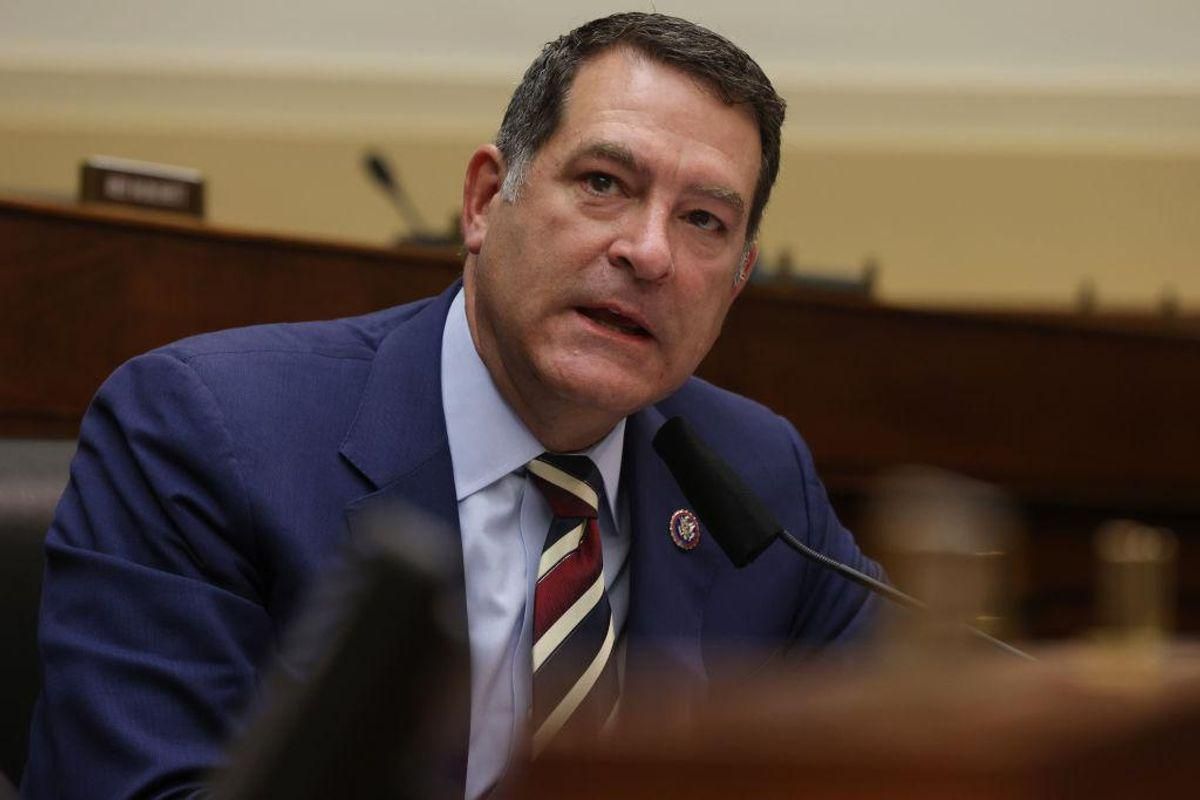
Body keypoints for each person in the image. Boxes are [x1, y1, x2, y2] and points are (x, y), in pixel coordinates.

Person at [23, 12, 882, 799]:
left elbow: (910, 744)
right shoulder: (204, 432)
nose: (649, 252)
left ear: (738, 281)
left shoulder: (758, 479)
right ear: (482, 201)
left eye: (703, 221)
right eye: (603, 182)